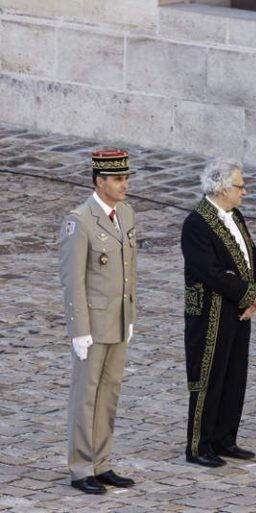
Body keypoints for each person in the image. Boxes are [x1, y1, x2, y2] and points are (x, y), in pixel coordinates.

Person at [59, 150, 138, 494]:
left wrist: (130, 316)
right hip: (93, 326)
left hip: (118, 322)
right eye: (117, 179)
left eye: (125, 178)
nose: (124, 185)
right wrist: (79, 329)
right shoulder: (79, 221)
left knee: (109, 395)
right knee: (86, 397)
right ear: (99, 181)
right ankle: (80, 467)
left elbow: (130, 271)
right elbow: (72, 280)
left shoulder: (126, 213)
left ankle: (101, 462)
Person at [181, 158, 256, 467]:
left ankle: (225, 438)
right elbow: (210, 272)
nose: (244, 192)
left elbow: (251, 255)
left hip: (238, 311)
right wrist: (249, 294)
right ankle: (199, 445)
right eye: (240, 187)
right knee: (208, 377)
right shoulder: (196, 223)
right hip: (210, 313)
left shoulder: (235, 215)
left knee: (234, 376)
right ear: (222, 188)